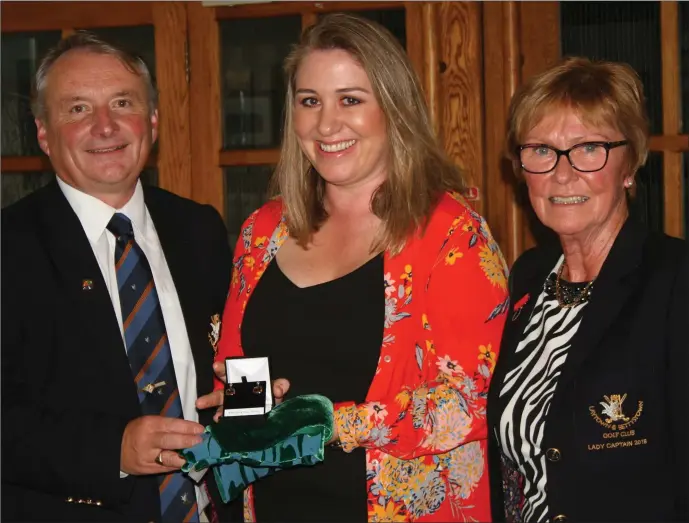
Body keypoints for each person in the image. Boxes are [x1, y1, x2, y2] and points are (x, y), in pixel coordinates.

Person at [196, 13, 509, 523]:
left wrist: (329, 424)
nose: (326, 124)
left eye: (350, 99)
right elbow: (239, 375)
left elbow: (471, 403)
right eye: (309, 101)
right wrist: (246, 412)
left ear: (393, 108)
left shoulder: (452, 234)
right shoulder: (262, 230)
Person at [1, 32, 234, 522]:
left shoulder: (200, 229)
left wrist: (257, 402)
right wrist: (112, 450)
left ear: (152, 120)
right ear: (44, 133)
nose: (105, 127)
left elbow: (228, 362)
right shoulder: (11, 247)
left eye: (122, 103)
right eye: (78, 109)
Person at [487, 57, 688, 523]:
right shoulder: (528, 278)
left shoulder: (675, 280)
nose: (562, 173)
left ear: (629, 165)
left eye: (588, 148)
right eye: (540, 149)